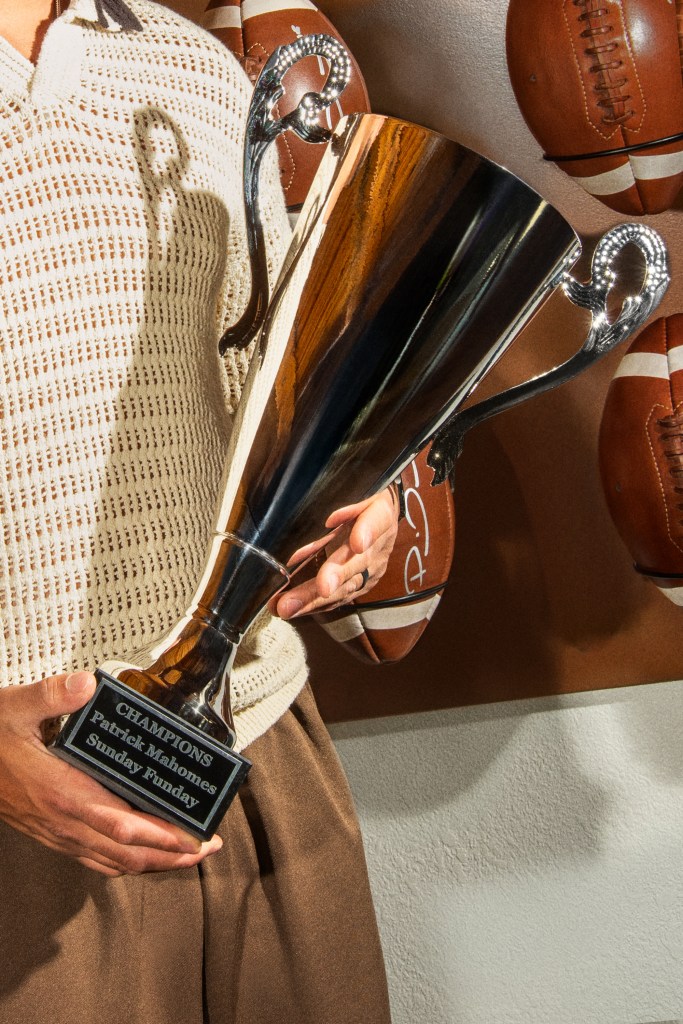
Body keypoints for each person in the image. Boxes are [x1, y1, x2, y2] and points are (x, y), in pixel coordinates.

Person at [0, 1, 396, 1020]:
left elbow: (263, 381)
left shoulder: (197, 75)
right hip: (23, 817)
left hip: (250, 748)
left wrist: (350, 488)